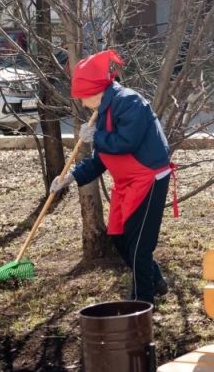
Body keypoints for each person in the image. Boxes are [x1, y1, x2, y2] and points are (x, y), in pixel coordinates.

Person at [50, 50, 177, 304]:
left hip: (149, 177)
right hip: (127, 182)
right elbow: (101, 158)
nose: (81, 103)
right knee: (119, 236)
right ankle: (156, 281)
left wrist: (96, 136)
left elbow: (125, 143)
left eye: (81, 97)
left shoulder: (129, 102)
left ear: (93, 91)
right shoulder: (103, 111)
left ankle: (142, 302)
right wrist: (71, 177)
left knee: (140, 245)